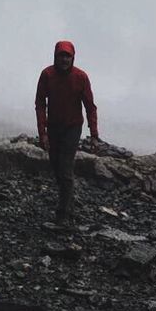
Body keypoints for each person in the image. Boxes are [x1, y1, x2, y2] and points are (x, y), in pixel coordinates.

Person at [35, 40, 99, 226]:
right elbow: (40, 104)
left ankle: (63, 213)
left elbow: (90, 107)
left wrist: (94, 135)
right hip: (54, 127)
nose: (64, 59)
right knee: (55, 166)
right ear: (55, 56)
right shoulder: (47, 75)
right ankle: (68, 198)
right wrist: (43, 133)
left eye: (67, 56)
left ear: (73, 57)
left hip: (72, 127)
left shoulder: (81, 77)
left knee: (65, 167)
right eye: (61, 56)